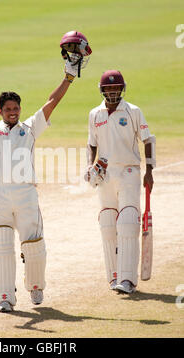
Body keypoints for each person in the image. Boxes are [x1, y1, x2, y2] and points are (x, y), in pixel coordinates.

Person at [0, 44, 91, 312]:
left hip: (26, 196)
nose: (13, 112)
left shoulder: (30, 128)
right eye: (8, 109)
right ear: (1, 111)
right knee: (2, 247)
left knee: (34, 248)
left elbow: (52, 102)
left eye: (16, 108)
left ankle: (35, 287)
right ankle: (5, 297)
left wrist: (68, 77)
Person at [84, 70, 156, 294]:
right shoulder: (95, 114)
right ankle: (113, 276)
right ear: (102, 89)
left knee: (127, 222)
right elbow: (91, 144)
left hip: (129, 172)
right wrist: (90, 165)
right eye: (109, 88)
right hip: (105, 174)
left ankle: (128, 280)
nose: (113, 91)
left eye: (116, 88)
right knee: (107, 223)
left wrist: (149, 171)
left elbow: (148, 140)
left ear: (122, 89)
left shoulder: (133, 111)